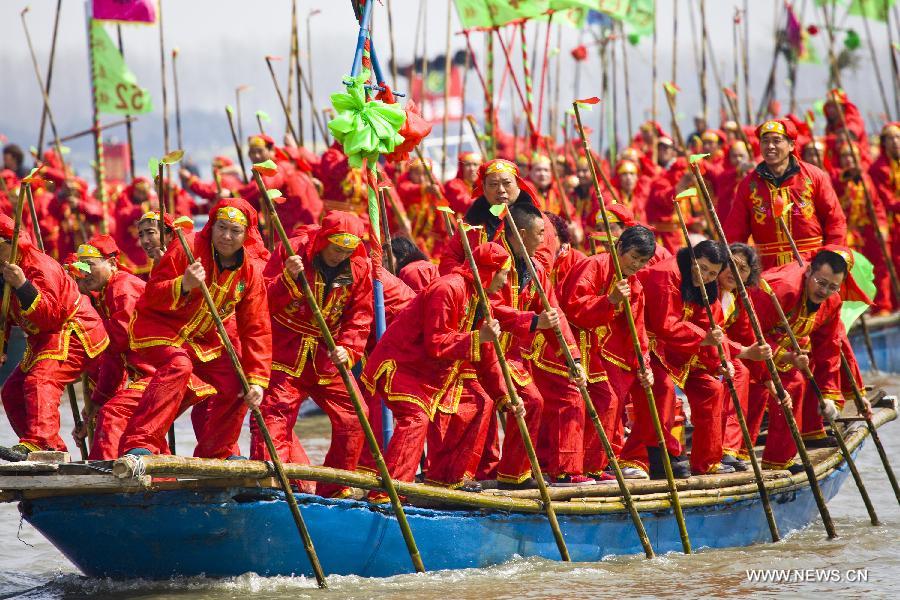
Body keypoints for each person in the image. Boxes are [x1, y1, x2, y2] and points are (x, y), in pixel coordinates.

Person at [117, 198, 271, 459]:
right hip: (160, 328)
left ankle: (217, 452)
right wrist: (183, 284)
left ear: (247, 236)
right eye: (221, 227)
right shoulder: (186, 248)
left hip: (202, 339)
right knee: (179, 365)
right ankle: (140, 443)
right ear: (211, 226)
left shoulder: (250, 272)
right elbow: (151, 294)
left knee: (237, 382)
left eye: (235, 231)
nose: (226, 236)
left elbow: (256, 327)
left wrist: (257, 379)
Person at [361, 242, 516, 498]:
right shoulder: (448, 288)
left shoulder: (479, 298)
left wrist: (505, 396)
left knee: (479, 402)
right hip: (402, 367)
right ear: (491, 270)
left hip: (432, 377)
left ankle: (445, 480)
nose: (506, 281)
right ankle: (389, 494)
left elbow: (486, 357)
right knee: (415, 420)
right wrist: (478, 337)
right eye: (504, 274)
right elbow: (436, 343)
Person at [249, 211, 373, 499]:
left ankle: (335, 486)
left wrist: (349, 348)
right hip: (285, 348)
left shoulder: (359, 266)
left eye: (346, 250)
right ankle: (275, 482)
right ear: (322, 241)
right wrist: (287, 279)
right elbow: (261, 299)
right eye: (335, 248)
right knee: (275, 415)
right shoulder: (292, 251)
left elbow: (361, 315)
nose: (339, 255)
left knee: (355, 414)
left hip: (325, 354)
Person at [620, 241, 762, 478]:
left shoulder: (710, 287)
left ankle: (707, 461)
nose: (704, 276)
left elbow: (712, 325)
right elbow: (666, 327)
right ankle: (637, 459)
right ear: (692, 259)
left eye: (712, 273)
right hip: (648, 344)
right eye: (701, 268)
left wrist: (721, 361)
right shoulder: (665, 275)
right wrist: (704, 338)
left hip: (682, 349)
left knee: (712, 388)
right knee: (662, 388)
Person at [550, 225, 658, 480]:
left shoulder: (635, 286)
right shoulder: (594, 266)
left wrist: (645, 365)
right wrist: (608, 301)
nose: (636, 265)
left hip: (596, 351)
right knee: (574, 403)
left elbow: (638, 331)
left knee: (608, 402)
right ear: (619, 247)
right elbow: (573, 307)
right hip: (569, 346)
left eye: (642, 262)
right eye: (634, 257)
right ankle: (565, 470)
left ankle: (593, 466)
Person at [0, 214, 109, 458]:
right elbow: (4, 316)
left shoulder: (38, 265)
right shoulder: (2, 268)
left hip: (72, 330)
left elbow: (50, 316)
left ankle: (41, 442)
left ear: (9, 244)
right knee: (12, 392)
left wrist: (22, 285)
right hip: (42, 339)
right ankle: (47, 449)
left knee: (40, 380)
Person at [749, 247, 866, 471]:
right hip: (749, 344)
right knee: (755, 389)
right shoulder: (781, 290)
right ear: (809, 271)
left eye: (833, 286)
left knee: (795, 384)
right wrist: (781, 354)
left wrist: (829, 396)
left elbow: (829, 348)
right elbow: (747, 329)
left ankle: (779, 461)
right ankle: (734, 453)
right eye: (820, 282)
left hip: (781, 348)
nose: (824, 291)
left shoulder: (832, 302)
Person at [723, 119, 847, 269]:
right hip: (767, 270)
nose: (770, 146)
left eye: (777, 141)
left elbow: (835, 221)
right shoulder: (748, 185)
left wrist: (831, 262)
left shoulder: (814, 176)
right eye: (765, 141)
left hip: (811, 266)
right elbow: (735, 232)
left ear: (791, 145)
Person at [832, 142, 892, 314]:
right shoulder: (836, 180)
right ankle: (855, 311)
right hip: (847, 233)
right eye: (845, 156)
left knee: (880, 264)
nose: (849, 160)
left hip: (867, 232)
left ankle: (882, 306)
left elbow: (877, 205)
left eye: (852, 156)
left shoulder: (866, 179)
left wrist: (881, 228)